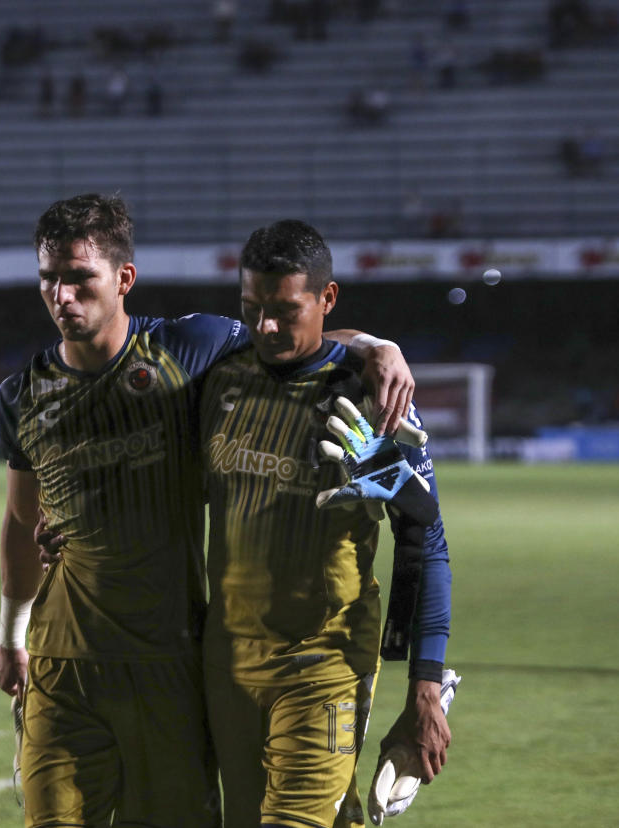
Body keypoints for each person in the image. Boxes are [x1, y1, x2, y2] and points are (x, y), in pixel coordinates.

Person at [0, 194, 417, 828]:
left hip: (172, 661)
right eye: (49, 279)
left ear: (123, 279)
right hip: (64, 663)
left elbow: (296, 338)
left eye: (79, 278)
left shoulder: (191, 352)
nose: (62, 296)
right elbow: (21, 526)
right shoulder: (21, 394)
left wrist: (376, 345)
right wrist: (11, 637)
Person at [198, 219, 452, 828]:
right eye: (252, 307)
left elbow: (424, 537)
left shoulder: (373, 397)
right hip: (227, 664)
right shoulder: (218, 379)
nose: (265, 326)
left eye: (285, 310)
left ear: (326, 299)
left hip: (325, 662)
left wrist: (424, 682)